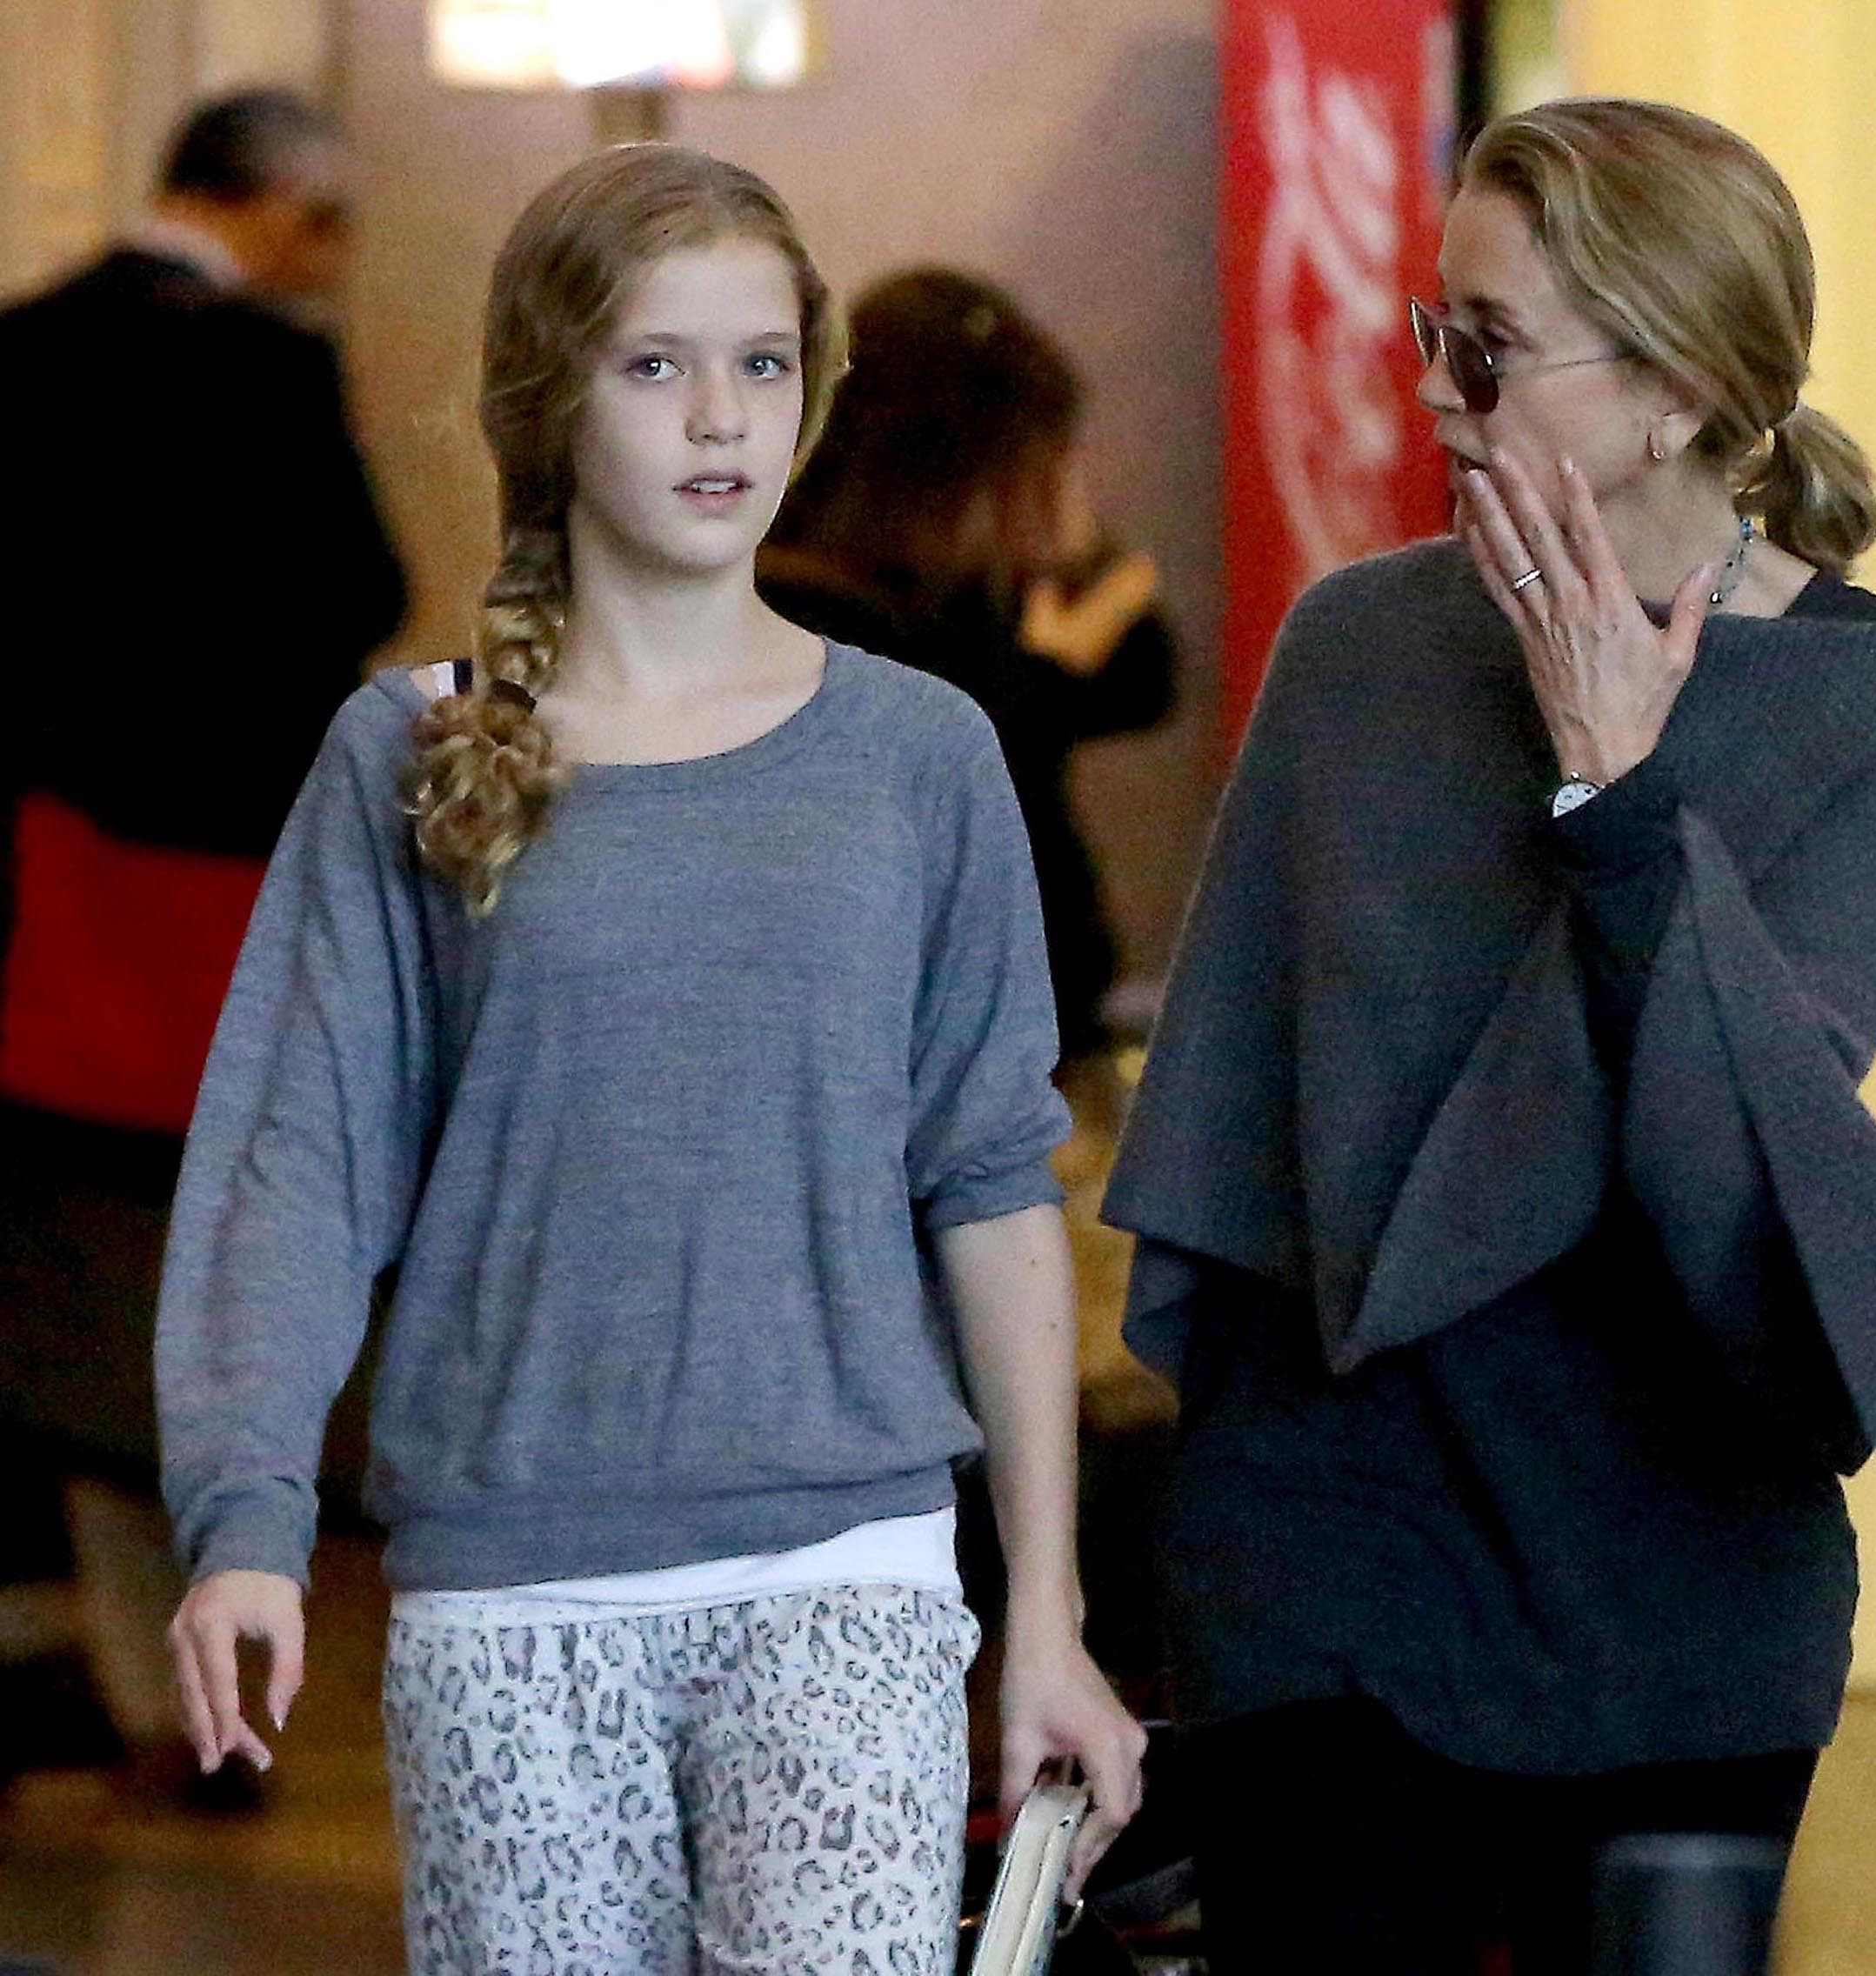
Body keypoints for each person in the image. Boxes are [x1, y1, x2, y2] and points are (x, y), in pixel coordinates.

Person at [154, 144, 1143, 1972]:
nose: (718, 418)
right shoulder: (406, 751)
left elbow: (992, 1195)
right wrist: (245, 1517)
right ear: (550, 398)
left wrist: (1051, 1616)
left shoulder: (920, 755)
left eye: (761, 365)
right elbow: (295, 1167)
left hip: (846, 1571)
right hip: (505, 1588)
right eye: (653, 364)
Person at [1101, 97, 1876, 1974]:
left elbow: (1735, 1179)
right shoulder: (1355, 652)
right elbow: (1232, 1176)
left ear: (1671, 390)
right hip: (1327, 1579)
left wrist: (1616, 792)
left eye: (1486, 348)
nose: (1433, 389)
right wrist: (1206, 1572)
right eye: (1433, 329)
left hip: (1679, 1590)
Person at [0, 86, 405, 1799]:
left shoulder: (16, 347)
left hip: (42, 887)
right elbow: (360, 594)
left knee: (48, 1284)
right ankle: (222, 1687)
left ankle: (85, 1666)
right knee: (229, 1285)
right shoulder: (269, 370)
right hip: (224, 898)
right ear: (285, 212)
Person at [758, 268, 1176, 1065]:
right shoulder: (806, 612)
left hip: (1029, 1049)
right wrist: (1045, 675)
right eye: (1030, 472)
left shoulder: (968, 592)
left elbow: (1144, 684)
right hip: (911, 1075)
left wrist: (1080, 556)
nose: (1040, 499)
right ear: (938, 475)